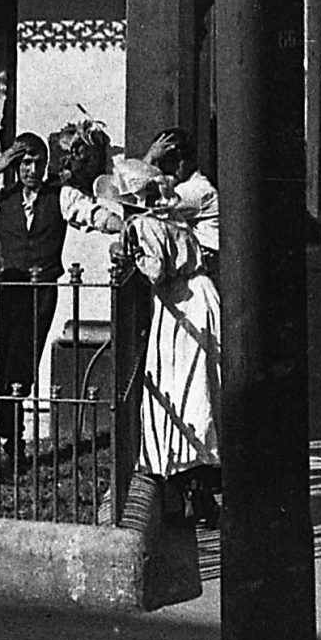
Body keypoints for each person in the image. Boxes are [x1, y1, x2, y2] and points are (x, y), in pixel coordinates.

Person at [119, 143, 222, 525]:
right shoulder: (168, 218)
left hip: (185, 300)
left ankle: (194, 487)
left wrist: (132, 253)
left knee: (189, 391)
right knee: (183, 389)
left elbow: (155, 270)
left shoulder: (155, 219)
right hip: (183, 299)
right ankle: (192, 488)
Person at [0, 132, 60, 462]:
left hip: (40, 292)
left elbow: (90, 213)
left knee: (23, 366)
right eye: (25, 163)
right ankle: (11, 438)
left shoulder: (59, 196)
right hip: (5, 290)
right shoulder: (1, 198)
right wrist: (0, 165)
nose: (31, 169)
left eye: (37, 163)